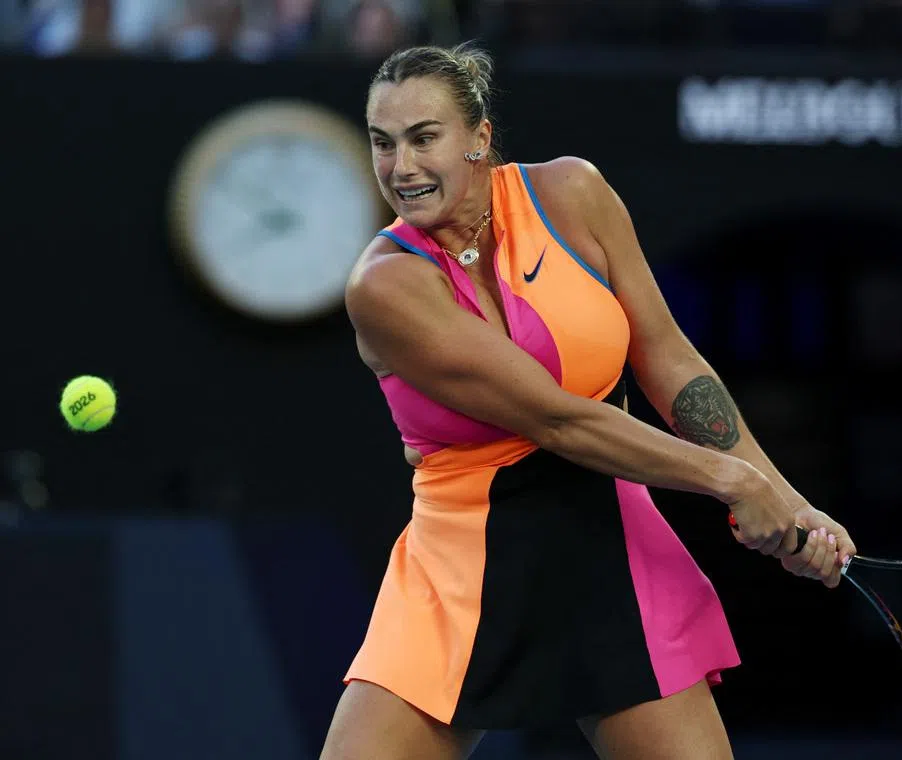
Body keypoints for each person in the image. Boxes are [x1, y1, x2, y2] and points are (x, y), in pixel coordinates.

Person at [323, 42, 858, 760]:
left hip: (615, 562)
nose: (402, 167)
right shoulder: (384, 286)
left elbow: (669, 360)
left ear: (480, 138)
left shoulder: (573, 195)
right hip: (461, 576)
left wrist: (789, 503)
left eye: (424, 138)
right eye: (383, 144)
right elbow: (556, 418)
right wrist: (735, 483)